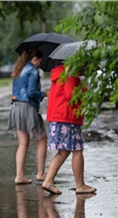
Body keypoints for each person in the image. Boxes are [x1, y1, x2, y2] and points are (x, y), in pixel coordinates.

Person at [42, 64, 97, 194]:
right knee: (77, 150)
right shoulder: (70, 74)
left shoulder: (60, 73)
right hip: (67, 118)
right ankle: (80, 185)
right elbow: (71, 95)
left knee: (63, 152)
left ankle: (48, 181)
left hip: (58, 117)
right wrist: (85, 90)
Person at [8, 49, 48, 184]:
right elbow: (31, 92)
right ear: (35, 59)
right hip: (27, 107)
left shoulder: (19, 70)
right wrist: (44, 94)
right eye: (40, 61)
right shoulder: (33, 71)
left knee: (23, 143)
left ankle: (19, 176)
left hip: (16, 107)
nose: (40, 64)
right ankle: (41, 173)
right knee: (42, 138)